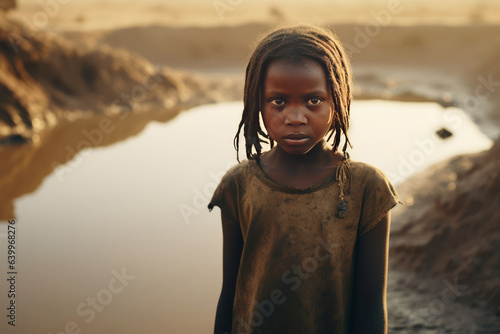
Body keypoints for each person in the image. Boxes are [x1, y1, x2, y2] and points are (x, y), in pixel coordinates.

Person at [208, 23, 402, 334]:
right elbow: (230, 294)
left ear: (336, 101)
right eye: (278, 101)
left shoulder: (367, 187)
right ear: (258, 101)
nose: (295, 117)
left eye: (313, 100)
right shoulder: (239, 184)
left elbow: (370, 304)